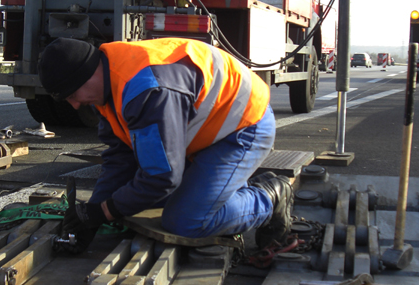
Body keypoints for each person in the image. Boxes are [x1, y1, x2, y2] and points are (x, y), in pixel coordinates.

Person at [37, 37, 293, 250]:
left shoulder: (145, 91)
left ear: (88, 75)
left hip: (243, 128)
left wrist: (103, 212)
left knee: (186, 222)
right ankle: (221, 192)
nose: (75, 105)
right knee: (138, 203)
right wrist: (93, 211)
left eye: (72, 95)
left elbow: (162, 177)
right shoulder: (107, 84)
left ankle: (269, 197)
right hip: (206, 132)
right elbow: (119, 158)